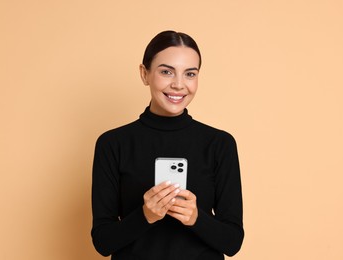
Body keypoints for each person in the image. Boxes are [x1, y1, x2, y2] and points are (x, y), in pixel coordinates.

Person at [91, 30, 244, 259]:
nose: (179, 85)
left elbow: (232, 242)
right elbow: (103, 242)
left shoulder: (219, 144)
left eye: (190, 74)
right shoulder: (112, 144)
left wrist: (196, 218)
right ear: (145, 74)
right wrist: (145, 215)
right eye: (166, 72)